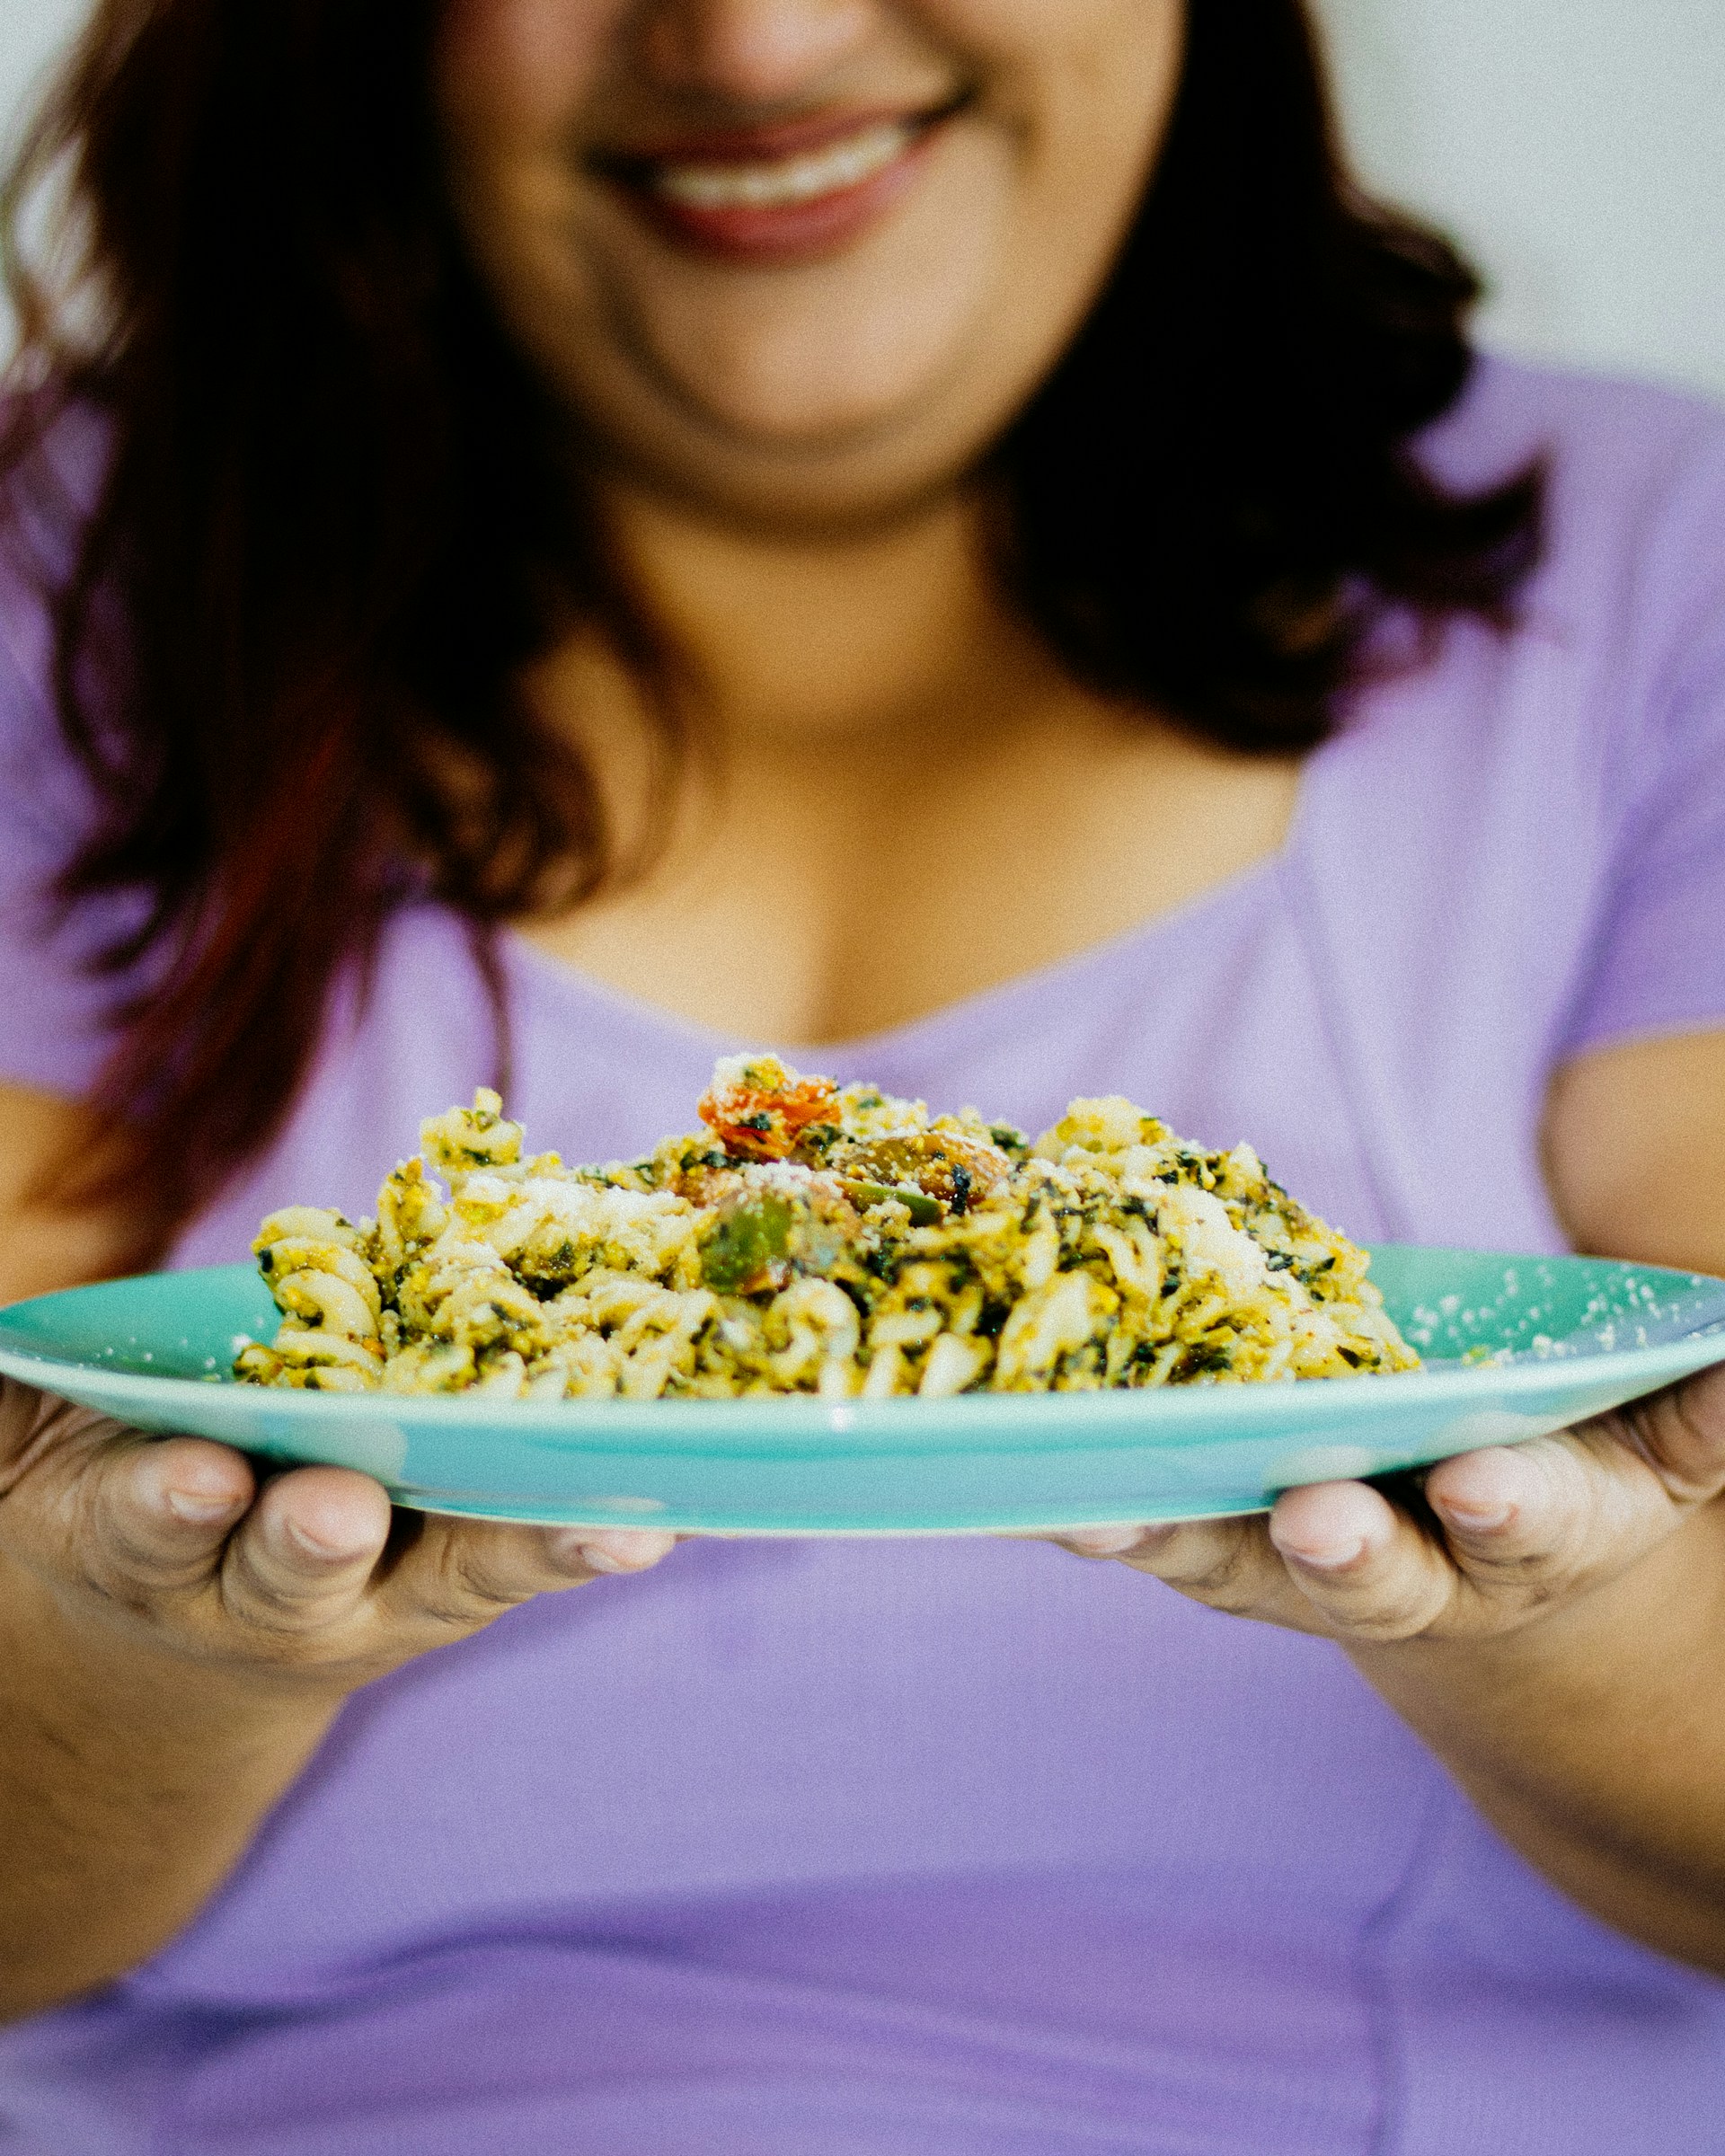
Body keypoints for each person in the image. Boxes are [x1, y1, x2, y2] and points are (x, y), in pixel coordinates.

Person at [1, 0, 1723, 2146]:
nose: (756, 37)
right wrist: (173, 1655)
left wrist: (1553, 1614)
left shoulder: (1668, 573)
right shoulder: (61, 592)